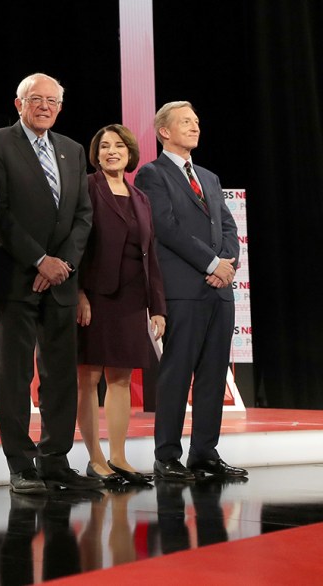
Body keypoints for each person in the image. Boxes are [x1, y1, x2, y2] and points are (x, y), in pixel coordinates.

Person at [0, 73, 99, 494]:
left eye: (52, 100)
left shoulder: (72, 149)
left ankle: (55, 460)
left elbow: (83, 214)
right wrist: (39, 260)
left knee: (60, 376)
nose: (45, 106)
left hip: (62, 280)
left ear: (60, 107)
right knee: (15, 376)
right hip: (16, 277)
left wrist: (62, 263)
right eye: (36, 99)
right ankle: (20, 465)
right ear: (19, 104)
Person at [134, 102, 246, 481]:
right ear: (164, 132)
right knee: (177, 374)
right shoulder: (152, 174)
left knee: (213, 375)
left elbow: (228, 227)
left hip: (219, 292)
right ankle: (167, 456)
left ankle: (204, 454)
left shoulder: (209, 178)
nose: (195, 126)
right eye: (185, 121)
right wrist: (212, 264)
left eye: (196, 121)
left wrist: (227, 264)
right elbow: (166, 227)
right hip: (182, 290)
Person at [76, 124, 166, 485]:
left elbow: (151, 254)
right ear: (96, 155)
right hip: (94, 295)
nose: (111, 151)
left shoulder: (140, 197)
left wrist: (157, 306)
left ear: (130, 153)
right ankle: (95, 459)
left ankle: (118, 457)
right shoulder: (86, 187)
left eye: (119, 146)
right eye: (104, 146)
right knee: (88, 378)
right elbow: (74, 243)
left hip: (131, 298)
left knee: (121, 378)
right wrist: (78, 293)